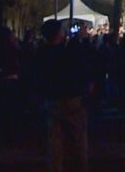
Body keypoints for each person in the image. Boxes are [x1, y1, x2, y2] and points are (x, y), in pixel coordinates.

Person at [35, 19, 91, 172]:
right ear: (58, 34)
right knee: (78, 139)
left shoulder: (42, 53)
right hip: (72, 98)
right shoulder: (68, 52)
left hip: (53, 99)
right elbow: (84, 64)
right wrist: (84, 41)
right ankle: (80, 166)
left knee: (55, 142)